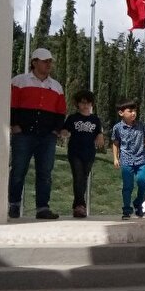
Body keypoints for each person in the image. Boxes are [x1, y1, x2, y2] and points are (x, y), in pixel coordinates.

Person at [8, 47, 67, 220]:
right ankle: (14, 205)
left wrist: (56, 130)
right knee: (18, 170)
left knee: (45, 172)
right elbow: (11, 104)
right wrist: (15, 125)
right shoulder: (19, 81)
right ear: (34, 62)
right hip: (23, 134)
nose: (48, 64)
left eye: (50, 61)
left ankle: (42, 208)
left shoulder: (56, 86)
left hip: (47, 136)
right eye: (44, 61)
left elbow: (60, 111)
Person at [59, 90, 104, 218]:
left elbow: (98, 132)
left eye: (88, 103)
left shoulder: (95, 119)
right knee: (78, 176)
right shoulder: (73, 118)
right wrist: (64, 133)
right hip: (75, 152)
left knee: (83, 178)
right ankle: (80, 205)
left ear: (92, 104)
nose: (85, 105)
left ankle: (77, 205)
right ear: (77, 104)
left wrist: (100, 137)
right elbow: (65, 130)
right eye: (82, 103)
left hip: (89, 152)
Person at [111, 99, 145, 220]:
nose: (133, 113)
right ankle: (126, 209)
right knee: (128, 186)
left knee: (143, 182)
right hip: (126, 161)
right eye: (130, 111)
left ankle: (138, 204)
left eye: (135, 110)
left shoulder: (142, 125)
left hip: (141, 159)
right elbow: (115, 143)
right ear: (121, 113)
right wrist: (115, 158)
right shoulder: (117, 128)